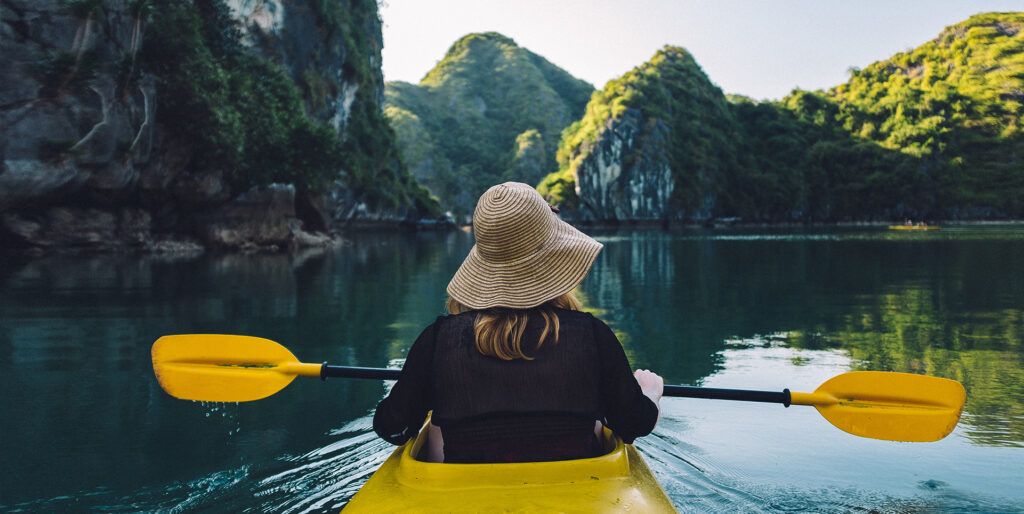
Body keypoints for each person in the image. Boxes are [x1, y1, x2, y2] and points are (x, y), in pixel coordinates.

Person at [373, 182, 664, 464]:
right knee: (597, 422)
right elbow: (631, 425)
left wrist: (421, 390)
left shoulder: (438, 339)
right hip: (572, 483)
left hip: (464, 490)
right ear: (555, 258)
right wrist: (649, 394)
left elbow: (392, 428)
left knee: (437, 427)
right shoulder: (592, 335)